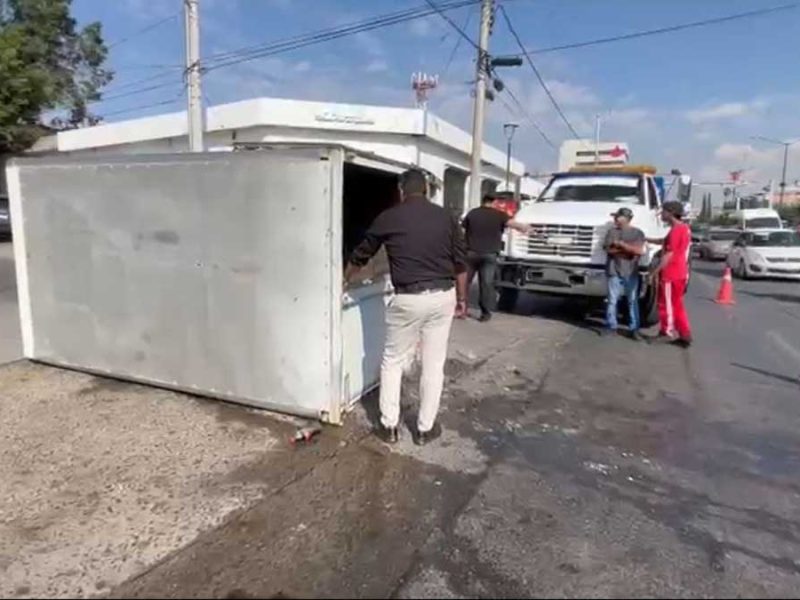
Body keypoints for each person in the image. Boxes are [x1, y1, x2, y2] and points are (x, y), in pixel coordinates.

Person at [344, 169, 468, 446]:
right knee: (434, 364)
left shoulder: (389, 217)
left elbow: (361, 253)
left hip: (408, 299)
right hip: (442, 296)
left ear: (401, 190)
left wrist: (345, 279)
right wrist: (461, 298)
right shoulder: (447, 217)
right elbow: (461, 262)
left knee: (393, 360)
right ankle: (425, 429)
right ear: (426, 189)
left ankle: (389, 427)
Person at [462, 195, 531, 321]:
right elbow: (515, 225)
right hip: (489, 254)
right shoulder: (499, 215)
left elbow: (464, 227)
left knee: (465, 283)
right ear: (494, 202)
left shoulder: (473, 213)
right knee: (486, 284)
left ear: (482, 202)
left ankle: (462, 308)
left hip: (471, 253)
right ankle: (485, 313)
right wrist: (528, 228)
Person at [648, 201, 692, 348]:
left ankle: (666, 332)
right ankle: (685, 334)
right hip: (680, 273)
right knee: (677, 305)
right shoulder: (683, 228)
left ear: (671, 212)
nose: (661, 214)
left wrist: (654, 272)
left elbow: (668, 254)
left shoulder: (675, 230)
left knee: (665, 304)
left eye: (664, 211)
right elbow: (666, 242)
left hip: (670, 274)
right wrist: (648, 239)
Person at [603, 207, 646, 340]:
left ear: (626, 218)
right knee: (612, 301)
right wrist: (628, 250)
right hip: (614, 270)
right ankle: (611, 326)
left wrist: (621, 245)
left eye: (618, 216)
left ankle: (634, 329)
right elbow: (608, 249)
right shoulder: (611, 232)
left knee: (632, 301)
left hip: (631, 271)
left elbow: (639, 251)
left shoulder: (638, 233)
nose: (615, 219)